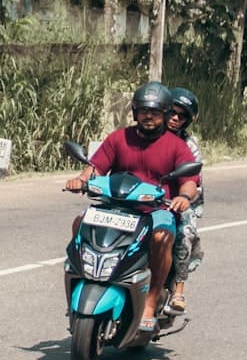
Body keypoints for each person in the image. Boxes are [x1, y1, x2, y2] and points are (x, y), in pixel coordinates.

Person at [65, 81, 201, 332]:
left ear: (165, 114)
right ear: (135, 112)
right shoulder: (119, 138)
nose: (148, 116)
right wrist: (81, 180)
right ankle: (79, 279)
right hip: (115, 206)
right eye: (143, 110)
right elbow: (95, 167)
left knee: (162, 237)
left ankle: (150, 301)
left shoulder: (177, 146)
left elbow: (190, 181)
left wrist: (183, 197)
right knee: (79, 222)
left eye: (155, 111)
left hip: (156, 210)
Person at [166, 86, 205, 315]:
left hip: (177, 200)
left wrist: (183, 197)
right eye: (172, 112)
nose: (175, 118)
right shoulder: (144, 134)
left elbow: (194, 181)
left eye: (181, 116)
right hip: (139, 197)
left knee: (185, 233)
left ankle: (178, 291)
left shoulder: (189, 146)